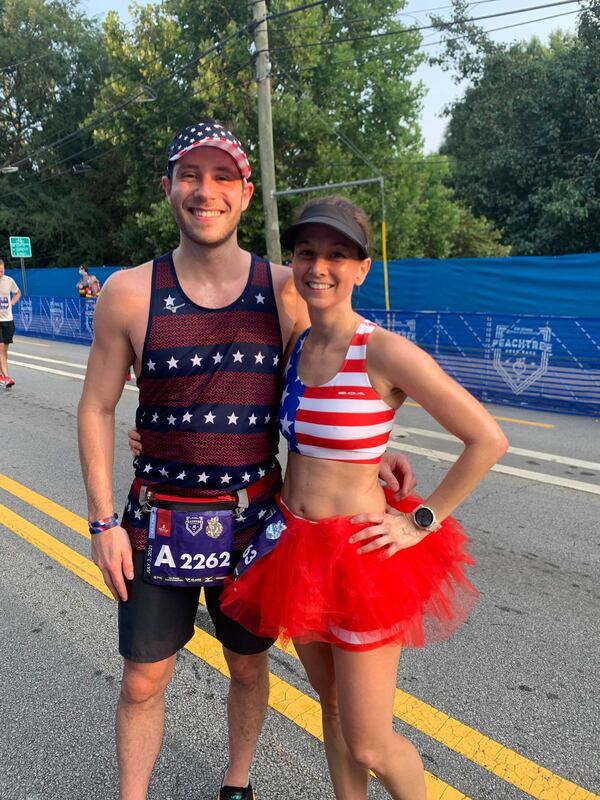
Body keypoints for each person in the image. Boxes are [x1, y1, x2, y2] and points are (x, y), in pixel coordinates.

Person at [77, 119, 414, 800]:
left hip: (255, 523)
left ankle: (237, 784)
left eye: (222, 176)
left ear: (245, 191)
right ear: (167, 186)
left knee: (249, 666)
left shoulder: (288, 288)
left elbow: (326, 376)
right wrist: (103, 520)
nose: (206, 191)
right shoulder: (129, 292)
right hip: (159, 519)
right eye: (191, 175)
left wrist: (367, 452)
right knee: (144, 678)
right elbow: (94, 407)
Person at [220, 195, 510, 800]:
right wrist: (372, 455)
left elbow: (487, 438)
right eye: (306, 253)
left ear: (360, 268)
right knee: (329, 708)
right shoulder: (298, 345)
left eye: (336, 255)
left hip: (360, 558)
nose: (318, 267)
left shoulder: (381, 350)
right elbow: (316, 436)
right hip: (295, 550)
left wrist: (421, 522)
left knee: (371, 741)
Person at [0, 258, 22, 388]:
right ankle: (7, 377)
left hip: (8, 320)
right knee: (1, 349)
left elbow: (18, 292)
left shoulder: (9, 281)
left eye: (2, 268)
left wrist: (12, 303)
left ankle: (1, 374)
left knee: (5, 351)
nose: (1, 270)